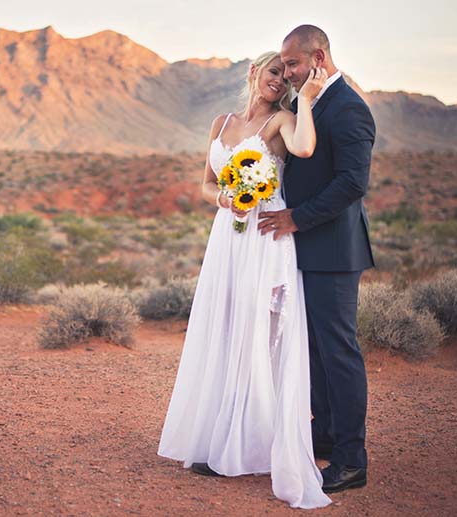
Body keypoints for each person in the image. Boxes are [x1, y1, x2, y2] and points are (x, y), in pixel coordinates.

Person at [157, 50, 333, 509]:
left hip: (263, 239)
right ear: (255, 72)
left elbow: (305, 149)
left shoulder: (281, 122)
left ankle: (246, 446)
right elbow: (207, 183)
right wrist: (225, 201)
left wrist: (307, 100)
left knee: (257, 335)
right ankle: (217, 437)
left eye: (286, 77)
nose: (279, 81)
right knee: (225, 329)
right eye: (273, 72)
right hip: (228, 237)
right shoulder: (221, 122)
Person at [258, 24, 376, 494]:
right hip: (302, 250)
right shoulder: (305, 104)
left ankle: (351, 459)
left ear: (319, 57)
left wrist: (295, 219)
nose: (286, 73)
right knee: (313, 352)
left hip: (332, 252)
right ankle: (324, 434)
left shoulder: (349, 109)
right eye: (282, 66)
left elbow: (352, 184)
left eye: (292, 64)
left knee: (339, 353)